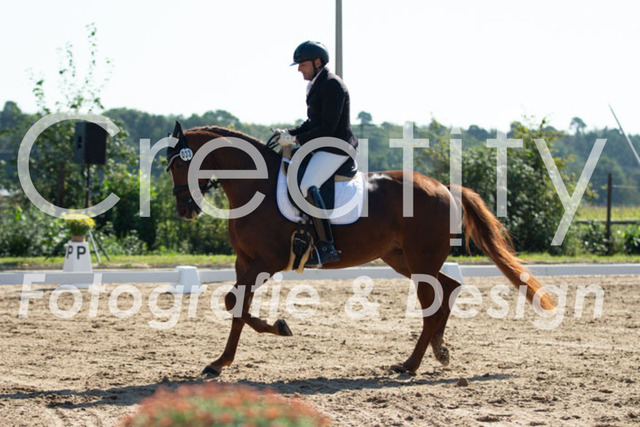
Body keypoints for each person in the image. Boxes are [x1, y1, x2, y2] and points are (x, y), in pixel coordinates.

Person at [276, 40, 358, 266]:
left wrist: (297, 140)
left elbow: (328, 128)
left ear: (317, 62)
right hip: (321, 145)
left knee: (306, 185)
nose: (299, 70)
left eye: (303, 65)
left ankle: (326, 247)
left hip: (336, 146)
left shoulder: (332, 85)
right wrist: (288, 132)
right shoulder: (317, 84)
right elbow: (312, 123)